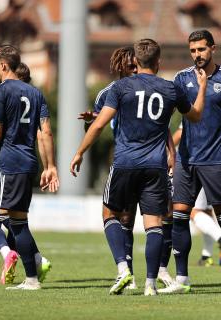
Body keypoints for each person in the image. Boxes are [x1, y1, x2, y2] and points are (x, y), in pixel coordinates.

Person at [69, 38, 207, 296]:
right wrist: (202, 88)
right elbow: (196, 115)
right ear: (158, 61)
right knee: (154, 224)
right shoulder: (171, 88)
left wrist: (79, 152)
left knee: (110, 215)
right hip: (154, 167)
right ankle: (150, 283)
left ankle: (123, 270)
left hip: (125, 163)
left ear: (137, 61)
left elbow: (99, 126)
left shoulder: (120, 88)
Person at [78, 46, 175, 289]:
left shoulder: (150, 88)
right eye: (129, 66)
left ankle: (154, 272)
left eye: (135, 65)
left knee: (160, 216)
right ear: (120, 67)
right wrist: (91, 120)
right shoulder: (109, 93)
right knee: (126, 219)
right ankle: (129, 275)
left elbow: (161, 126)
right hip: (127, 158)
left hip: (138, 160)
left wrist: (171, 152)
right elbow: (97, 125)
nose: (133, 69)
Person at [160, 29, 221, 294]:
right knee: (180, 217)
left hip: (217, 160)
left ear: (213, 48)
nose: (197, 55)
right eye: (193, 50)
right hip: (186, 160)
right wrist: (170, 152)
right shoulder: (181, 78)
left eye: (201, 49)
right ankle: (182, 278)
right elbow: (167, 117)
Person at [0, 45, 59, 290]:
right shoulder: (36, 94)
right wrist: (50, 166)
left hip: (10, 163)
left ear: (4, 65)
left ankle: (32, 276)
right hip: (29, 162)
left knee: (12, 221)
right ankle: (34, 268)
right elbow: (45, 132)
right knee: (15, 220)